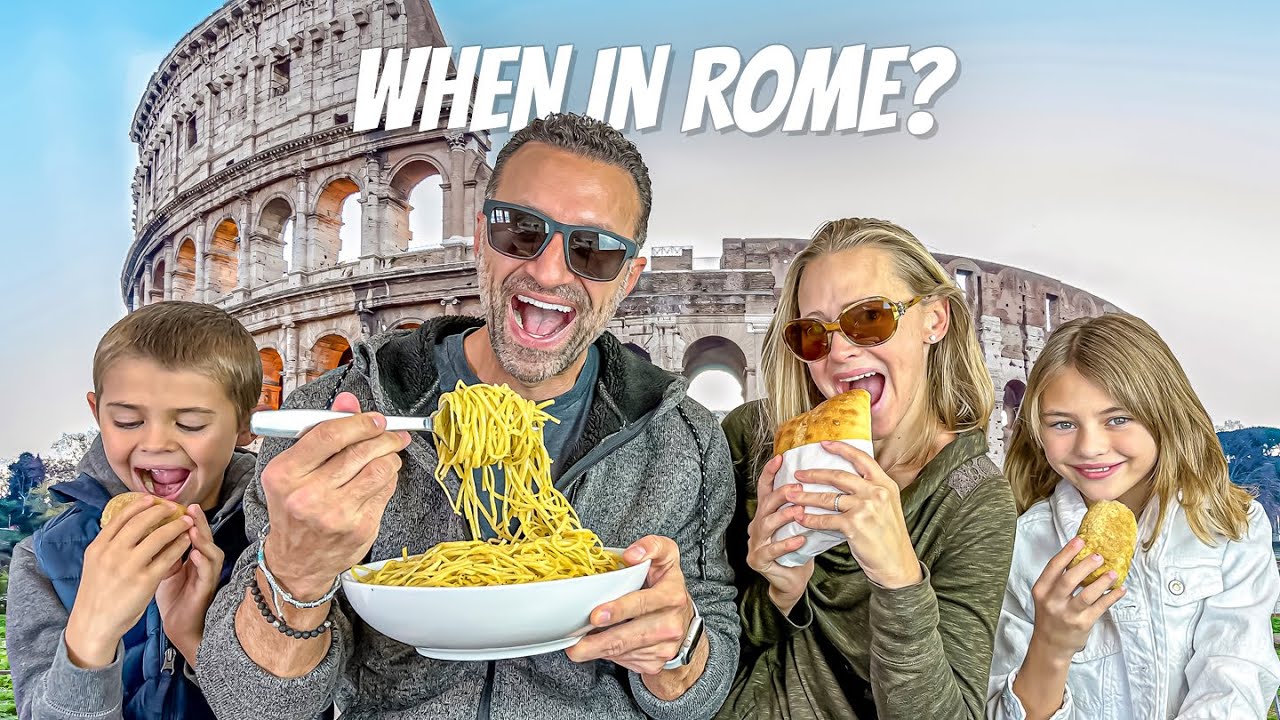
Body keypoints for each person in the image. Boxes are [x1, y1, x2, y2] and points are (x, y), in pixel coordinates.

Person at [195, 112, 739, 719]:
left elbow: (703, 684)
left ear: (629, 277)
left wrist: (677, 651)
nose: (548, 270)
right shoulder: (328, 418)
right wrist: (294, 576)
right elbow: (249, 705)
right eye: (521, 231)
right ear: (481, 236)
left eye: (594, 250)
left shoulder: (684, 440)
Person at [716, 218, 1017, 719]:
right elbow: (699, 656)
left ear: (934, 320)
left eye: (870, 317)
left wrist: (898, 578)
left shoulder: (973, 499)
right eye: (813, 333)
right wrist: (778, 596)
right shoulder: (754, 439)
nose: (839, 352)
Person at [987, 313, 1280, 719]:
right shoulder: (1019, 546)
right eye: (1063, 424)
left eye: (1118, 419)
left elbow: (1235, 681)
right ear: (1038, 430)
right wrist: (1051, 647)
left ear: (1165, 414)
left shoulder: (1231, 527)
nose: (1090, 447)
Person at [8, 301, 262, 719]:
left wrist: (196, 640)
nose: (156, 443)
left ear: (245, 425)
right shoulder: (44, 559)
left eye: (191, 424)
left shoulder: (274, 541)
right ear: (97, 413)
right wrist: (91, 633)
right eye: (127, 421)